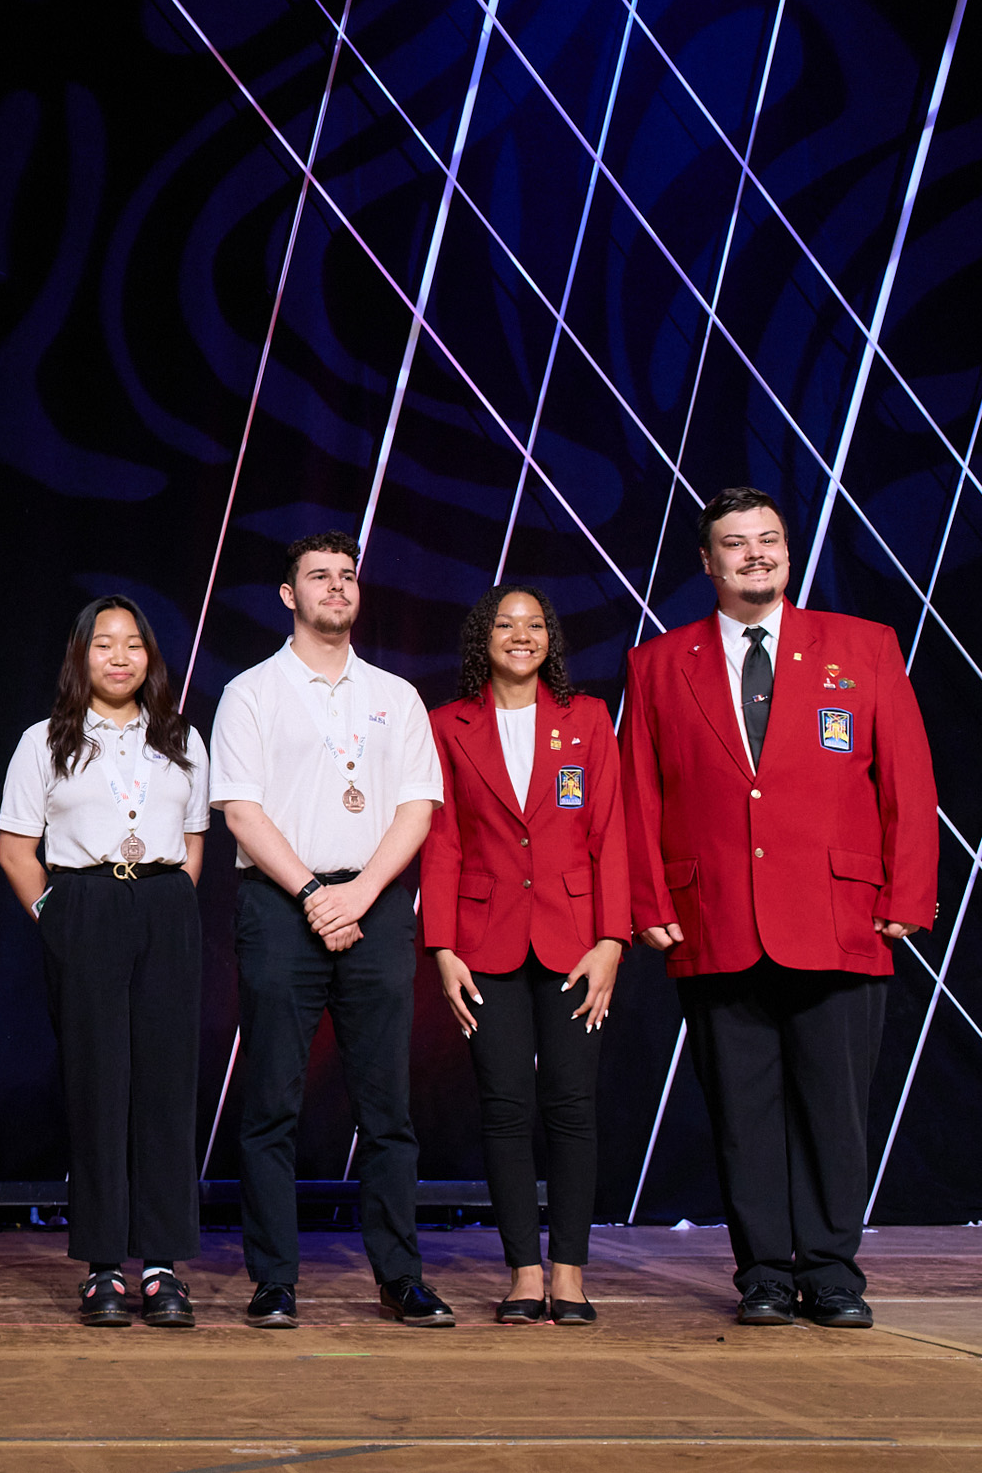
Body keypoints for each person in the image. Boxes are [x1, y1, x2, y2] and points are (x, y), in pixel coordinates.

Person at [621, 485, 936, 1329]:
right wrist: (647, 897)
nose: (755, 553)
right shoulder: (659, 662)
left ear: (787, 550)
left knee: (834, 1110)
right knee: (741, 1109)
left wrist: (908, 891)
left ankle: (832, 1273)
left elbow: (906, 776)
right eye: (736, 542)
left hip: (841, 914)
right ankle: (762, 1271)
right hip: (713, 913)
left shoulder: (863, 647)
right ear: (707, 559)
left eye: (769, 538)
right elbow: (637, 792)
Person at [211, 529, 449, 1328]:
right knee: (272, 1103)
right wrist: (315, 890)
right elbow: (240, 809)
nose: (337, 589)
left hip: (375, 906)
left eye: (347, 577)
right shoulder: (251, 692)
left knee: (387, 1108)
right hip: (282, 906)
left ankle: (400, 1276)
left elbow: (418, 806)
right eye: (319, 577)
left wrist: (362, 892)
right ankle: (274, 1279)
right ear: (289, 595)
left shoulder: (395, 694)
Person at [0, 595, 211, 1328]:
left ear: (150, 657)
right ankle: (101, 1269)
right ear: (80, 657)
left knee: (165, 1088)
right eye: (103, 645)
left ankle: (161, 1266)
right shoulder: (45, 742)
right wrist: (57, 919)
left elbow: (194, 837)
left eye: (133, 646)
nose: (119, 657)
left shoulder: (180, 738)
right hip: (83, 905)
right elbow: (15, 850)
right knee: (98, 1088)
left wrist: (173, 901)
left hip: (162, 905)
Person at [421, 584, 628, 1326]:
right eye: (505, 623)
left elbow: (610, 833)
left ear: (551, 640)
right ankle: (522, 1273)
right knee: (505, 1108)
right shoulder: (446, 725)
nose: (521, 635)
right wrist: (441, 945)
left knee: (572, 1106)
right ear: (484, 638)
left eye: (535, 624)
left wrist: (612, 940)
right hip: (485, 943)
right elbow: (441, 842)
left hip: (576, 941)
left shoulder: (589, 720)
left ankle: (569, 1274)